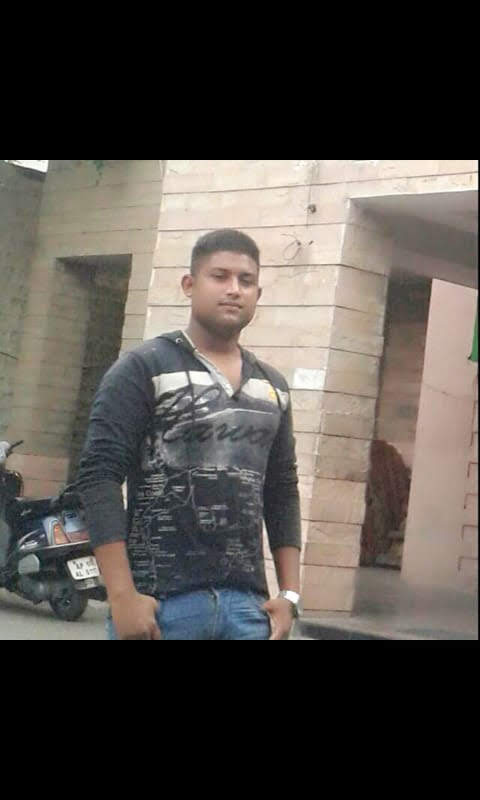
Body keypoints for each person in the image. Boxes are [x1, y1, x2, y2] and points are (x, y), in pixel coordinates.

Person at [76, 229, 302, 640]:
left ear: (258, 293)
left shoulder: (273, 387)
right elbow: (98, 476)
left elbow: (282, 489)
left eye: (246, 280)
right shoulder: (144, 368)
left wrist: (289, 595)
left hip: (248, 611)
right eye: (220, 276)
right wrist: (122, 595)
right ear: (189, 284)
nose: (234, 289)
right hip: (162, 608)